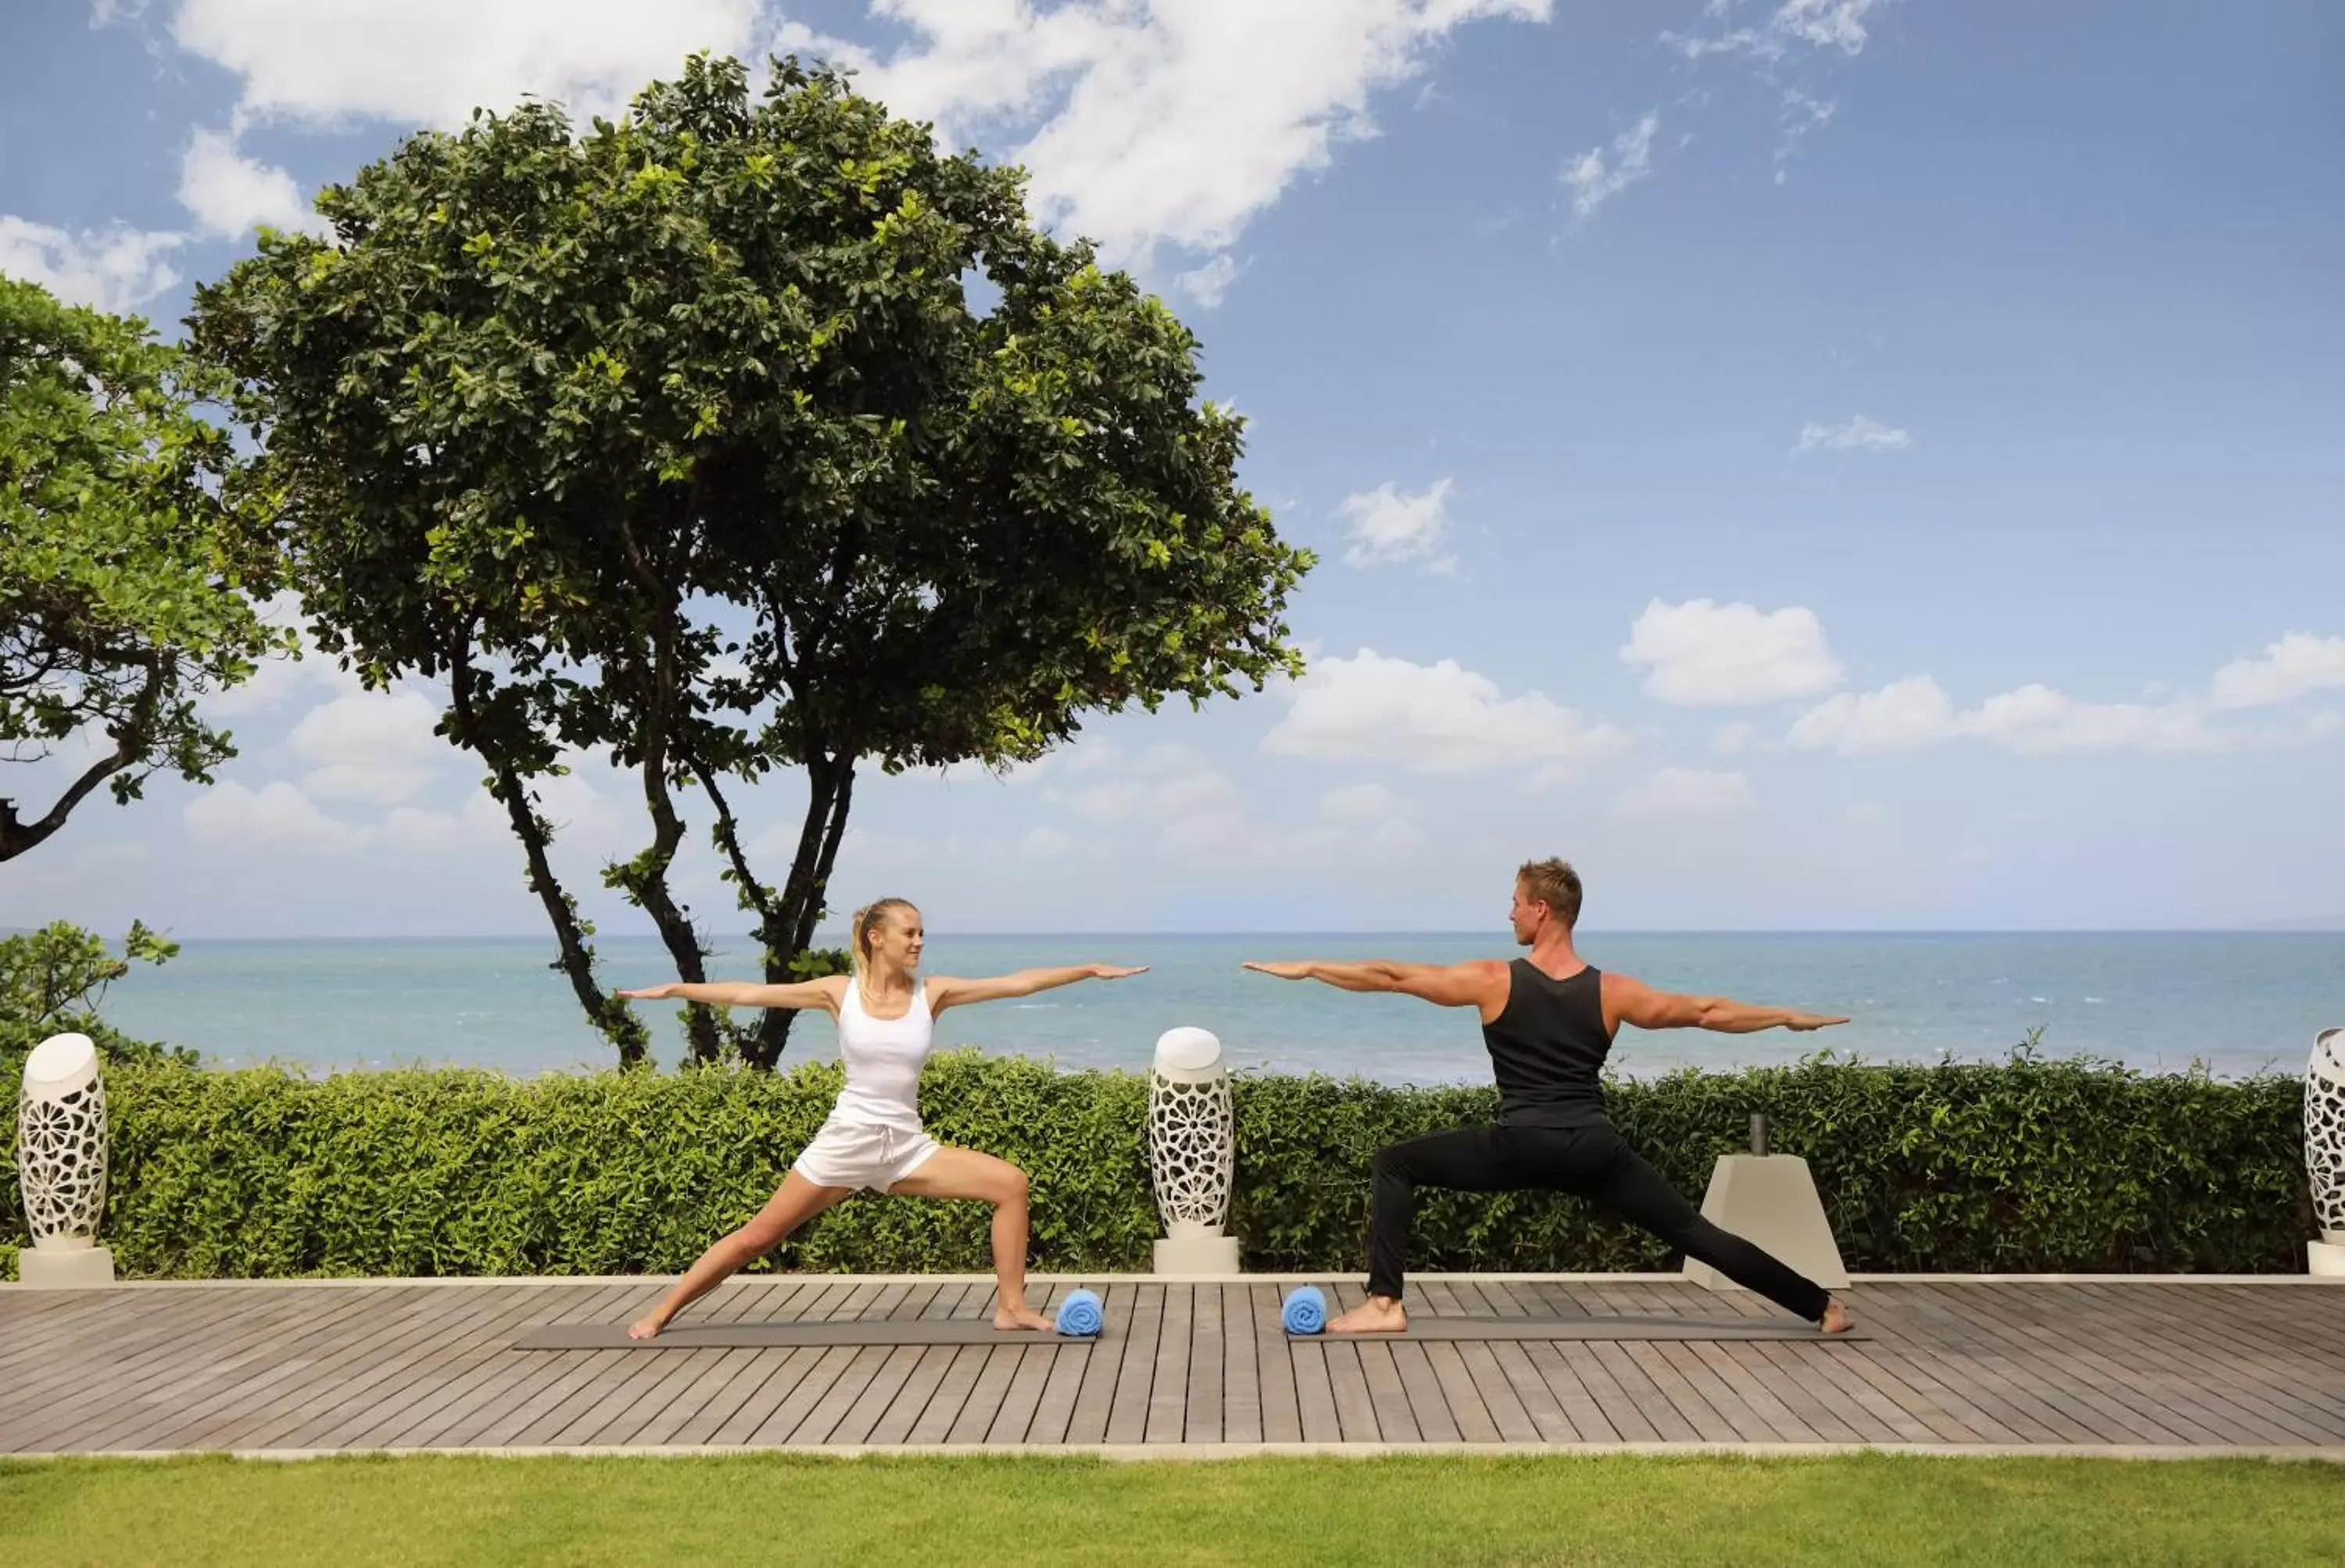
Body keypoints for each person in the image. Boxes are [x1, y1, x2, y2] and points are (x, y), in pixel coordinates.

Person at [1242, 858, 1855, 1336]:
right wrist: (1783, 1017)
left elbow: (1393, 976)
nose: (1508, 915)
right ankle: (1821, 1306)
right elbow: (1706, 1011)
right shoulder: (1613, 991)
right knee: (1694, 1230)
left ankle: (1384, 1304)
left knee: (1396, 1162)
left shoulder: (1494, 979)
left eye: (1514, 904)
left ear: (1541, 909)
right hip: (1593, 1149)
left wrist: (1310, 967)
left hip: (1522, 1145)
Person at [617, 897, 1144, 1337]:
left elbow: (1017, 983)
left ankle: (1011, 1308)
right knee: (758, 1238)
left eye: (921, 934)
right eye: (909, 933)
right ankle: (664, 1311)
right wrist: (676, 990)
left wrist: (1088, 970)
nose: (918, 942)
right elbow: (748, 993)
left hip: (906, 1150)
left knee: (1010, 1184)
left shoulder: (931, 994)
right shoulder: (838, 992)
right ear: (876, 937)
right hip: (845, 1144)